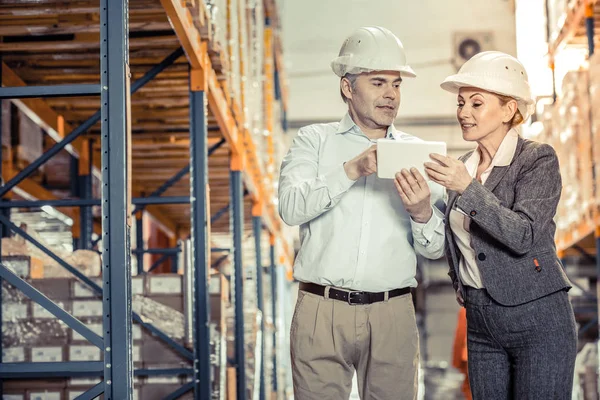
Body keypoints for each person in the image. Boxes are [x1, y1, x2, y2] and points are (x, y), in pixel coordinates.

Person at [278, 26, 446, 399]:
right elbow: (290, 207)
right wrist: (351, 171)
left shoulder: (419, 154)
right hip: (321, 309)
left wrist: (421, 213)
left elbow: (436, 249)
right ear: (347, 88)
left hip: (392, 312)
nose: (390, 94)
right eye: (378, 82)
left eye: (397, 84)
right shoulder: (314, 141)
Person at [424, 51, 577, 399]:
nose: (463, 112)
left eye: (476, 104)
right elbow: (455, 242)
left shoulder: (536, 159)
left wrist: (467, 188)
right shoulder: (463, 166)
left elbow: (523, 234)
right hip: (481, 322)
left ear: (509, 110)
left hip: (538, 320)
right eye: (461, 103)